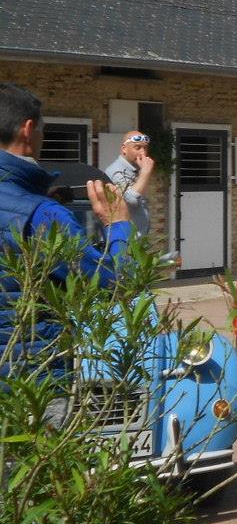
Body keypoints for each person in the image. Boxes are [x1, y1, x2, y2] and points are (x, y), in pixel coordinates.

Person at [0, 83, 132, 372]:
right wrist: (118, 225)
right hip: (30, 383)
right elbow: (115, 283)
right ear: (28, 130)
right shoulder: (41, 216)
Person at [105, 129, 155, 236]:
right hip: (125, 240)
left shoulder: (135, 169)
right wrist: (145, 173)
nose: (143, 152)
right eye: (137, 147)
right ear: (124, 149)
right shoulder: (116, 171)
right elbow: (131, 200)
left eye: (145, 148)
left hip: (139, 237)